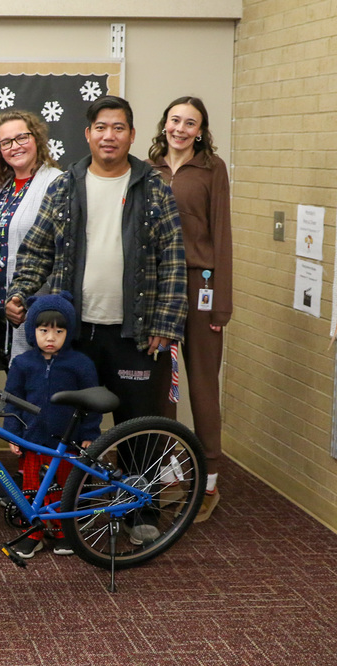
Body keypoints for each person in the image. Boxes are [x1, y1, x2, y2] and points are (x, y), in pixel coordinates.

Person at [6, 95, 187, 544]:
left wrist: (165, 324)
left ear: (131, 134)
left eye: (119, 127)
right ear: (87, 134)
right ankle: (74, 510)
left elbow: (173, 259)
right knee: (70, 425)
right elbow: (36, 250)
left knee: (137, 422)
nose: (110, 135)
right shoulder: (65, 185)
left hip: (136, 333)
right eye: (101, 127)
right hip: (76, 334)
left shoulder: (153, 186)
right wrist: (20, 293)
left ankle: (141, 511)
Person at [147, 96, 232, 523]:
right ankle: (168, 478)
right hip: (159, 288)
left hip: (200, 286)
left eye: (190, 123)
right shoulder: (147, 168)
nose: (180, 128)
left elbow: (222, 234)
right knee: (162, 387)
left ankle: (209, 482)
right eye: (175, 120)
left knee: (200, 386)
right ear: (165, 124)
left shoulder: (212, 169)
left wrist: (221, 303)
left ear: (200, 130)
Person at [3, 293, 101, 558]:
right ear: (32, 329)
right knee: (31, 490)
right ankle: (32, 534)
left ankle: (62, 532)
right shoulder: (22, 364)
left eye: (59, 331)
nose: (50, 337)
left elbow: (92, 401)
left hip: (67, 444)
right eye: (44, 330)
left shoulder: (81, 364)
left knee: (64, 490)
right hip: (33, 442)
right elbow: (12, 401)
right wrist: (13, 433)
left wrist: (90, 433)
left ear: (68, 332)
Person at [0, 109, 62, 368]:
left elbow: (61, 252)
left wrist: (27, 299)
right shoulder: (5, 189)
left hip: (35, 306)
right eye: (6, 142)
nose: (14, 147)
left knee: (36, 390)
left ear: (37, 139)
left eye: (21, 138)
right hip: (1, 309)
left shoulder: (56, 184)